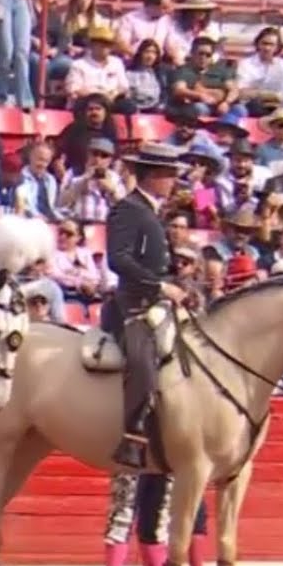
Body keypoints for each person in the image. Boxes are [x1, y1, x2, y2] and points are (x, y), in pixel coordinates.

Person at [105, 143, 187, 469]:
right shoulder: (128, 209)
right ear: (153, 176)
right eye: (169, 175)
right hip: (134, 305)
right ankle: (132, 436)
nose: (173, 181)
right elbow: (118, 259)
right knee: (143, 361)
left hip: (158, 302)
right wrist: (159, 285)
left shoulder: (149, 210)